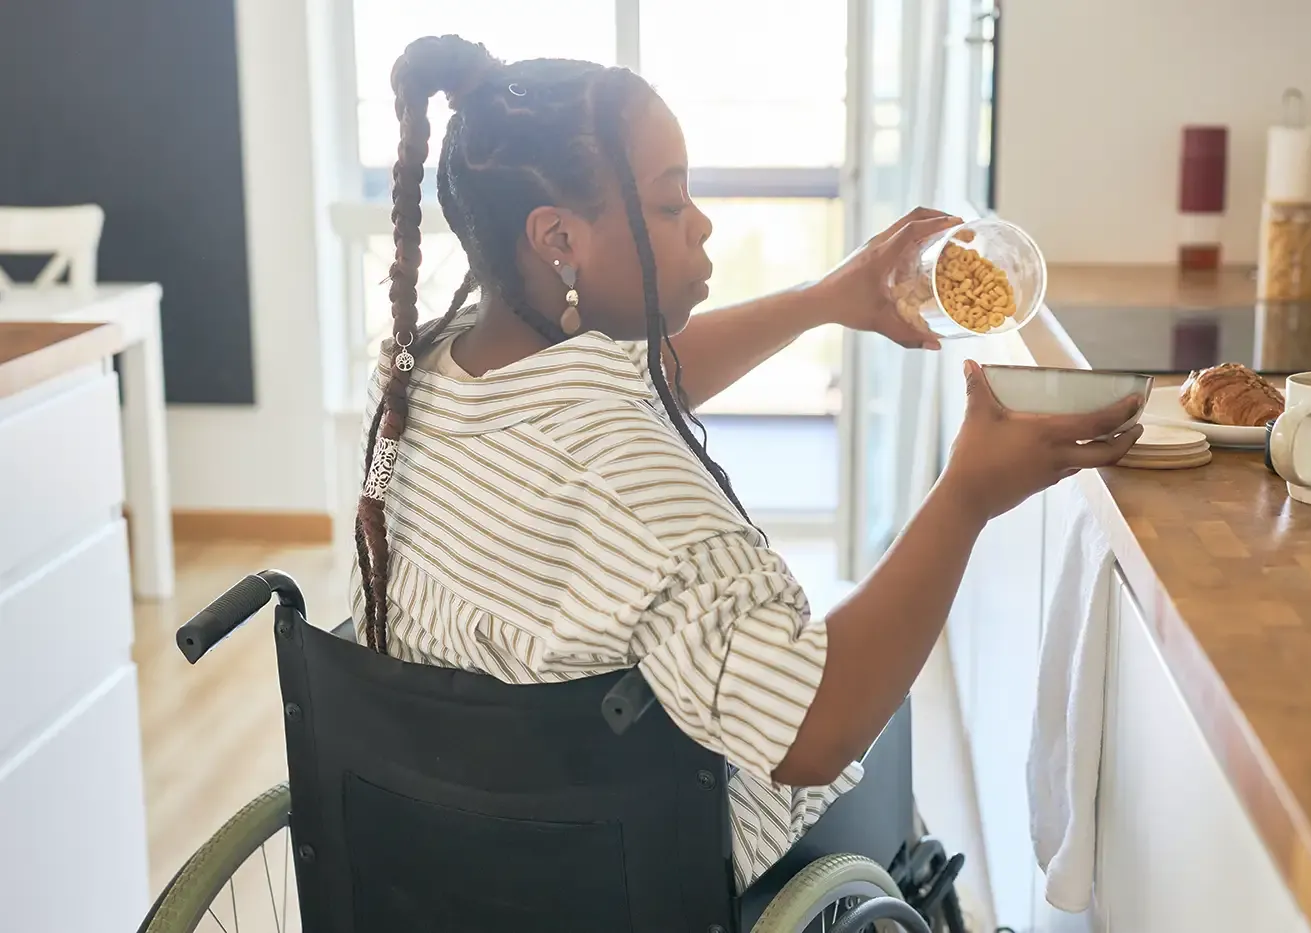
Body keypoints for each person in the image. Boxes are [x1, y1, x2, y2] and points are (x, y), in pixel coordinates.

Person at [351, 34, 1142, 893]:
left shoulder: (419, 378)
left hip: (457, 850)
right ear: (558, 239)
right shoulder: (632, 486)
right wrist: (967, 497)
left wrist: (822, 300)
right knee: (883, 732)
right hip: (630, 879)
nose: (703, 223)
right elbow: (816, 731)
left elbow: (640, 378)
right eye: (667, 204)